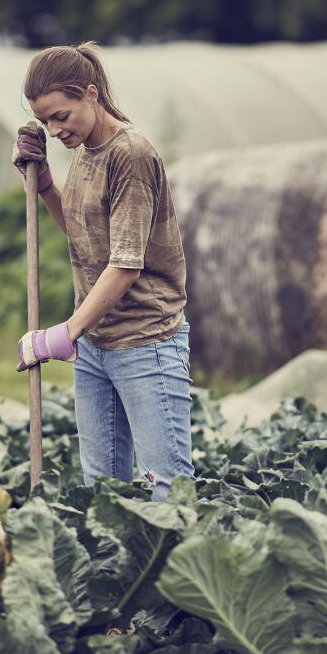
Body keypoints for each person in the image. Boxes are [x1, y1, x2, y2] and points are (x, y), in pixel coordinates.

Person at [12, 42, 195, 501]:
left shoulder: (129, 155)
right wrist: (45, 181)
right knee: (103, 493)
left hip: (146, 343)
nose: (55, 130)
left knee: (166, 488)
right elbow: (81, 232)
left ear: (90, 94)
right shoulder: (84, 148)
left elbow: (125, 266)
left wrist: (65, 333)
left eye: (62, 116)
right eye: (46, 120)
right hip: (96, 346)